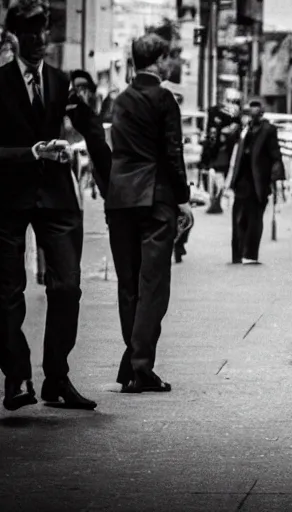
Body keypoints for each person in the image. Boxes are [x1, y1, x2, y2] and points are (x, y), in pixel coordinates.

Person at [0, 0, 111, 412]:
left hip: (56, 197)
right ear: (14, 37)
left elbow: (89, 124)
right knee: (7, 292)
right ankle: (16, 377)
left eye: (43, 33)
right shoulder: (1, 83)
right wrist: (31, 153)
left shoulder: (62, 81)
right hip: (8, 200)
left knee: (67, 286)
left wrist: (107, 177)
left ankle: (56, 379)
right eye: (29, 34)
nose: (38, 42)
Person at [104, 28, 193, 393]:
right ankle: (141, 366)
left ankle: (133, 363)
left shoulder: (120, 100)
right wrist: (184, 199)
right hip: (156, 198)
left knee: (129, 284)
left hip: (121, 198)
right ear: (158, 61)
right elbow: (173, 154)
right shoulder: (163, 100)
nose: (173, 63)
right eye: (169, 57)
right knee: (153, 285)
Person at [225, 100, 284, 264]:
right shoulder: (243, 129)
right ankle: (237, 253)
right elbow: (232, 148)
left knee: (255, 218)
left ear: (261, 113)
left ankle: (250, 253)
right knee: (238, 217)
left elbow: (275, 154)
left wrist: (276, 178)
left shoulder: (268, 130)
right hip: (242, 180)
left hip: (259, 181)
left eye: (255, 113)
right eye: (249, 113)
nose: (252, 116)